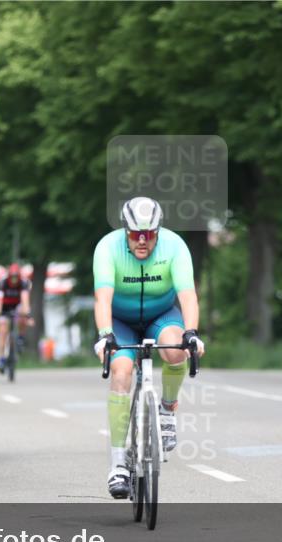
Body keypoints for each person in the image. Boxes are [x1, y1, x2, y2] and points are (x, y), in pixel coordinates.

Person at [92, 196, 205, 499]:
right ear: (124, 230)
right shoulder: (107, 248)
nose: (142, 241)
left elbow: (188, 295)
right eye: (135, 234)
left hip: (161, 315)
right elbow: (102, 298)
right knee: (120, 371)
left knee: (176, 350)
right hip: (120, 320)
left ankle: (167, 409)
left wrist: (191, 333)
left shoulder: (175, 247)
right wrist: (105, 334)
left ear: (158, 230)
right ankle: (117, 464)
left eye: (150, 234)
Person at [0, 262, 31, 373]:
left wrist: (27, 314)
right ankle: (1, 359)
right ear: (9, 276)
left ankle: (20, 337)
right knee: (2, 332)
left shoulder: (23, 283)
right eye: (12, 277)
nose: (14, 279)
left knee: (23, 314)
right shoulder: (3, 283)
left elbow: (25, 299)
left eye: (16, 277)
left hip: (17, 306)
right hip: (5, 307)